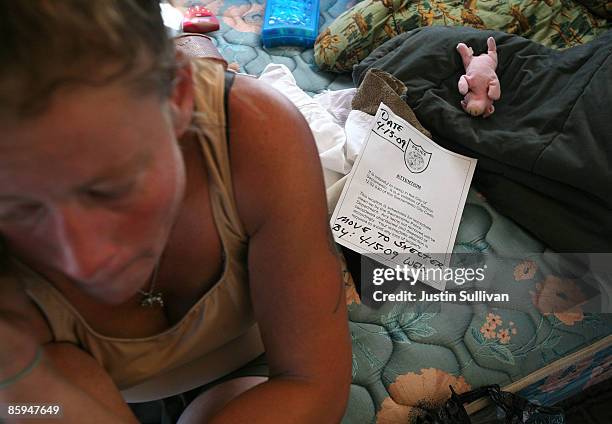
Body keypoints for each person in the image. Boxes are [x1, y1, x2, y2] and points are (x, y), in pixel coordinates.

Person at [0, 1, 352, 423]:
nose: (87, 261)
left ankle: (201, 53)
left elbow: (313, 381)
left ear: (179, 95)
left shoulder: (259, 137)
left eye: (110, 189)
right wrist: (24, 387)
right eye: (19, 210)